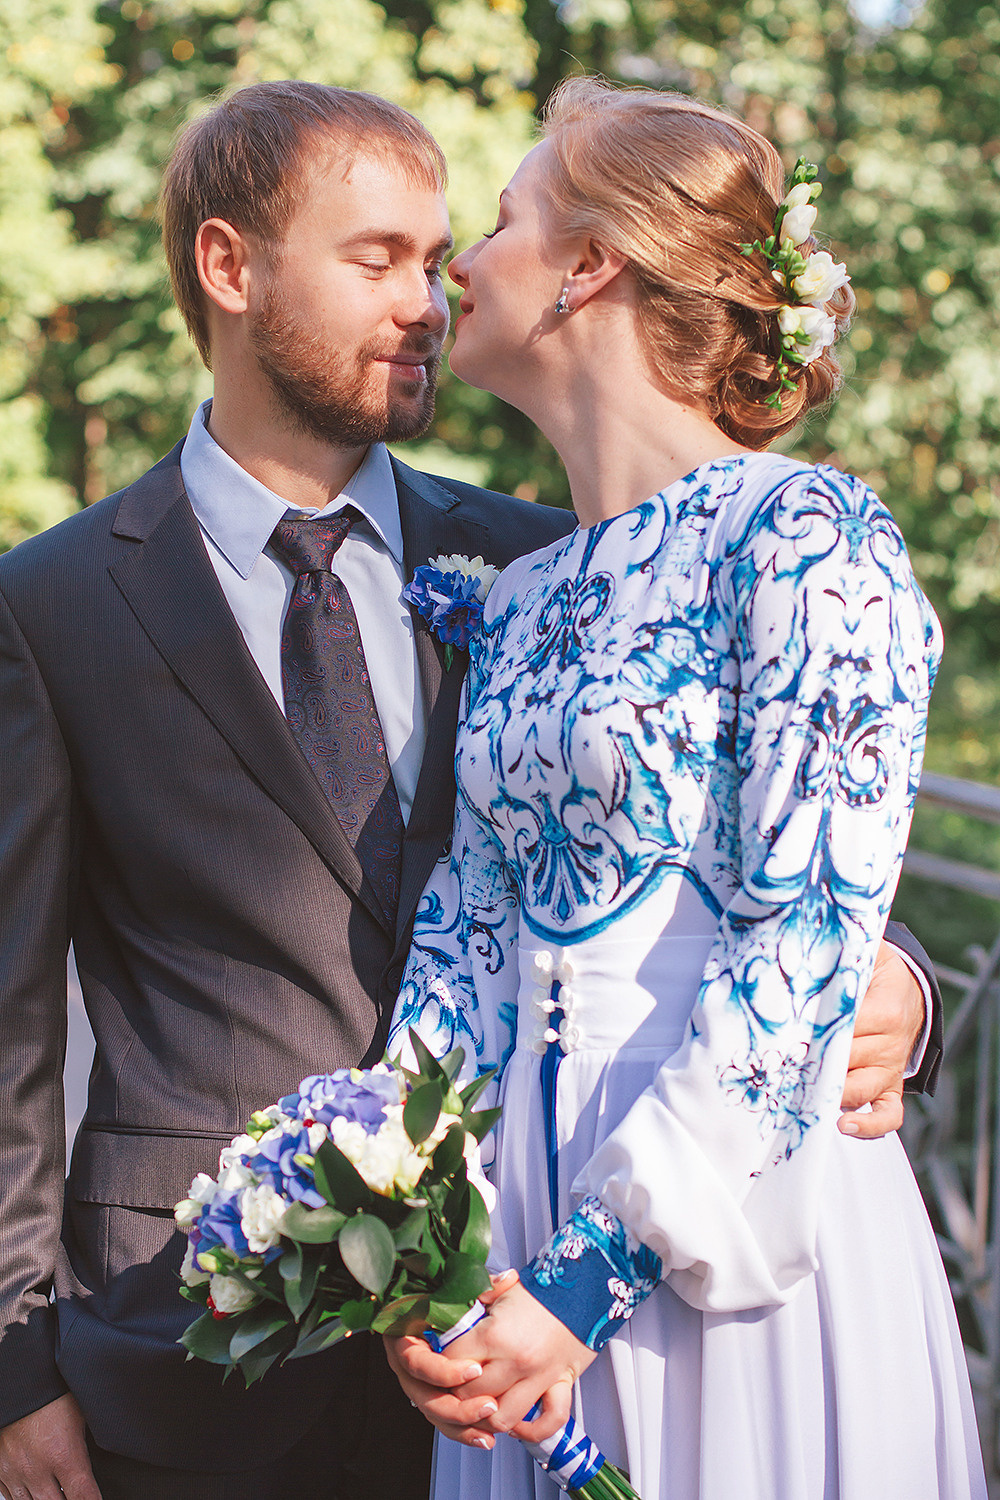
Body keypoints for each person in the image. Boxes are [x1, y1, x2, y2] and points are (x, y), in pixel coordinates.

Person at [0, 78, 936, 1500]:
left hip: (644, 1253)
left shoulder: (533, 557)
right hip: (248, 1328)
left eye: (451, 253)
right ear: (229, 269)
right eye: (381, 261)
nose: (430, 299)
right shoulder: (58, 602)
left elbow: (804, 859)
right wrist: (16, 1371)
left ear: (594, 271)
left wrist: (899, 989)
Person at [384, 79, 985, 1498]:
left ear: (591, 265)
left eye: (504, 218)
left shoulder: (807, 538)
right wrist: (411, 1232)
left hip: (730, 1227)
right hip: (513, 1250)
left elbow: (804, 938)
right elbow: (461, 938)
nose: (460, 262)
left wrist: (588, 1283)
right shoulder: (521, 598)